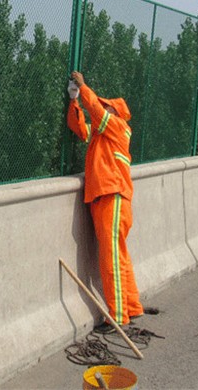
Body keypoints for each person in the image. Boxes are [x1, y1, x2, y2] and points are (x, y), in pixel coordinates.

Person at [67, 71, 144, 329]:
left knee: (111, 258)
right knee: (119, 255)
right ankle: (132, 306)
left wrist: (84, 87)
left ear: (116, 112)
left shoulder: (119, 127)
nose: (103, 108)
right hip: (107, 197)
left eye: (107, 106)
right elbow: (80, 129)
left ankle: (119, 316)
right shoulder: (102, 135)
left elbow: (98, 114)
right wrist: (74, 101)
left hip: (113, 197)